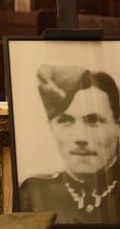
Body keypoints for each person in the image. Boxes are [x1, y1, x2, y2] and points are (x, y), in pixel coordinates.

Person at [20, 65, 120, 223]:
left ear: (117, 126)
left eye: (93, 120)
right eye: (65, 121)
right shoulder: (35, 192)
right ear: (51, 126)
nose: (80, 137)